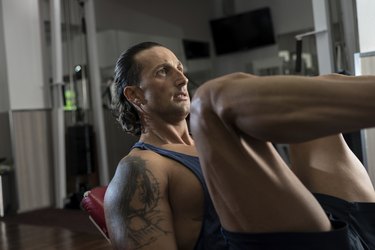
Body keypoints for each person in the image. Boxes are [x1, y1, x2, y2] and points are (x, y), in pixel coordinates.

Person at [104, 41, 375, 250]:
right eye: (163, 71)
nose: (182, 79)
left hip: (351, 231)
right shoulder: (138, 169)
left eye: (180, 68)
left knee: (318, 95)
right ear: (135, 95)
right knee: (212, 99)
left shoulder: (218, 142)